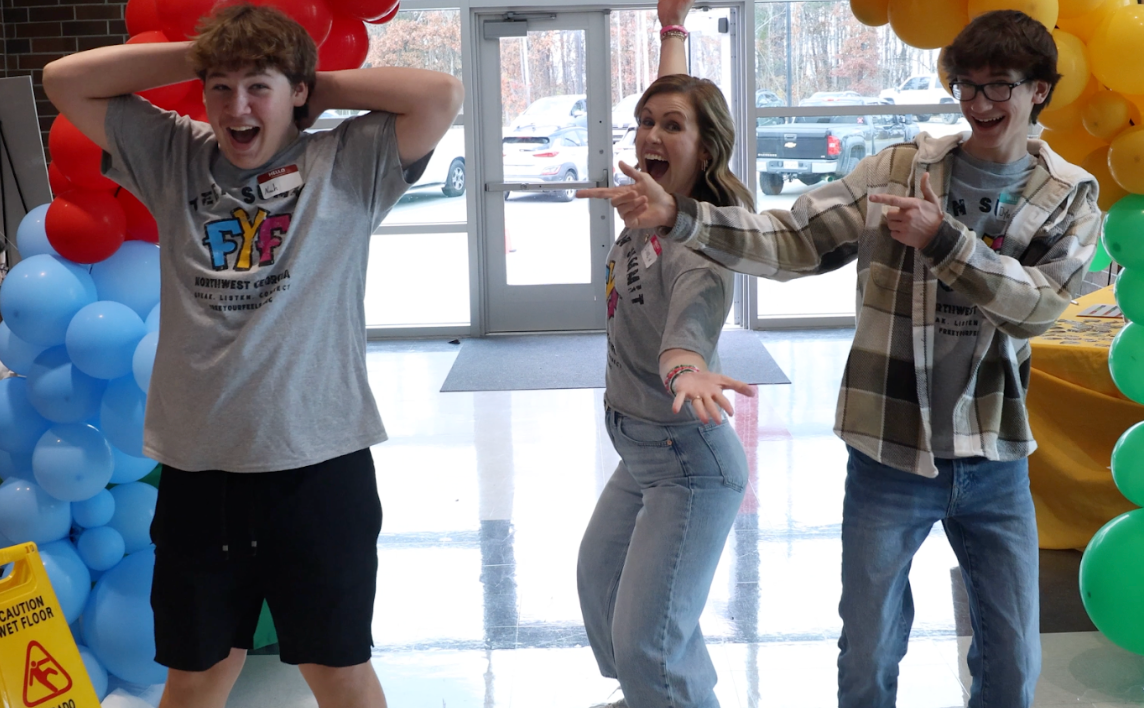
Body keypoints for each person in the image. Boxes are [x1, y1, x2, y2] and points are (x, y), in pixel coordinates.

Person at [581, 8, 1102, 708]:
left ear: (1039, 90)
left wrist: (944, 240)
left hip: (993, 456)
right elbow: (792, 239)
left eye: (999, 86)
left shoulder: (1069, 197)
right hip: (889, 450)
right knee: (867, 653)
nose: (979, 103)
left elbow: (1037, 308)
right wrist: (679, 215)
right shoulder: (899, 171)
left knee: (1012, 659)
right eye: (967, 86)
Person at [43, 5, 463, 707]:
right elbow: (64, 79)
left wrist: (308, 82)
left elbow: (440, 94)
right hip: (200, 472)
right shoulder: (172, 153)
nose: (237, 107)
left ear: (295, 92)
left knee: (337, 671)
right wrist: (206, 56)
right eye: (221, 88)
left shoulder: (345, 161)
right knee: (197, 675)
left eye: (257, 88)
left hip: (318, 465)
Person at [575, 2, 755, 707]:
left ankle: (664, 693)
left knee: (648, 647)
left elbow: (691, 327)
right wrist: (672, 30)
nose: (650, 135)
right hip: (643, 453)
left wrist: (686, 368)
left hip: (688, 460)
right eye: (644, 122)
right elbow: (674, 106)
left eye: (671, 128)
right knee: (602, 590)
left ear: (704, 153)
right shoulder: (654, 200)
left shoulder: (700, 248)